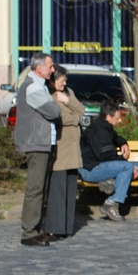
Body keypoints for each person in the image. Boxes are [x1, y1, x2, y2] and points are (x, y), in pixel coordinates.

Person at [14, 52, 62, 246]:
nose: (53, 69)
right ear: (39, 68)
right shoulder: (33, 87)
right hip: (36, 143)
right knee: (35, 188)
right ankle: (29, 232)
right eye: (50, 66)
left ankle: (36, 228)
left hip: (43, 142)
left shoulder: (40, 87)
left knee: (41, 188)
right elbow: (53, 111)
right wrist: (55, 102)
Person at [78, 101, 138, 223]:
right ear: (108, 117)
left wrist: (122, 143)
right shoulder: (99, 131)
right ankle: (110, 203)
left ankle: (109, 181)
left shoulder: (106, 127)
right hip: (91, 169)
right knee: (128, 167)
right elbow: (106, 155)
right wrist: (126, 164)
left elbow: (115, 137)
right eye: (117, 118)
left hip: (101, 165)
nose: (120, 121)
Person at [43, 65, 85, 239]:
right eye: (61, 81)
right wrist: (75, 119)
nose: (64, 83)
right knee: (58, 190)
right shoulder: (47, 95)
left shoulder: (68, 92)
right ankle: (55, 227)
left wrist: (68, 101)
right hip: (61, 148)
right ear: (53, 80)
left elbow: (81, 109)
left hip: (73, 149)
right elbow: (61, 117)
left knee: (69, 189)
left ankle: (67, 227)